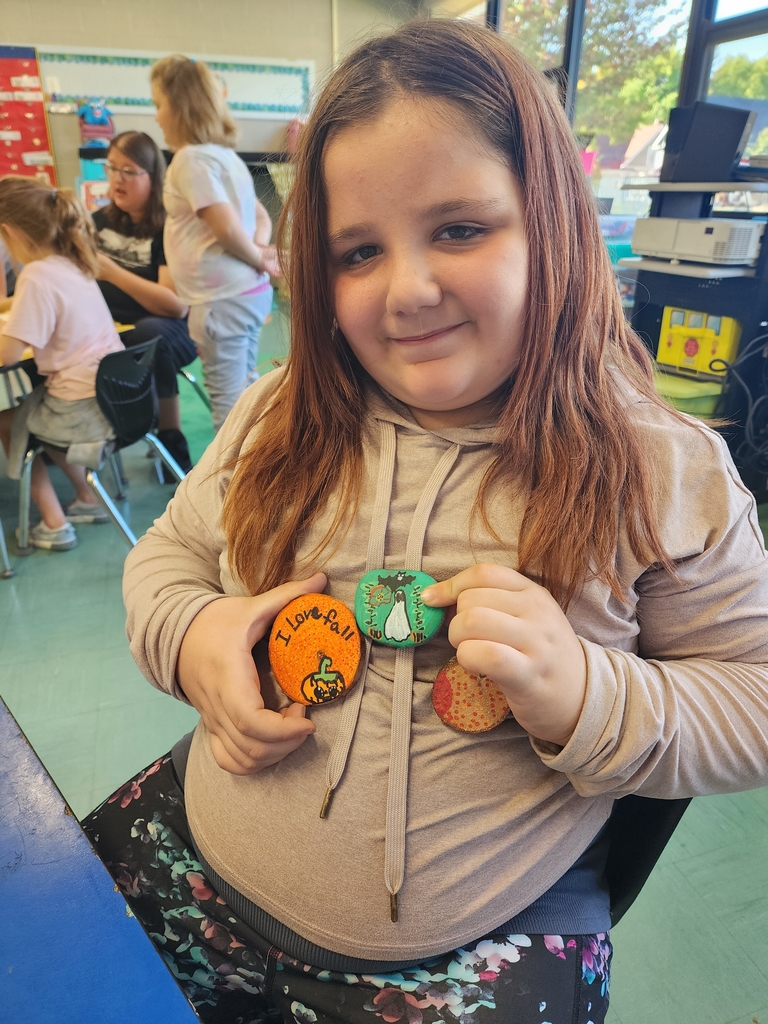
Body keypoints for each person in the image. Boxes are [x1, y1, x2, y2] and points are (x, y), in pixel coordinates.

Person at [83, 20, 768, 1024]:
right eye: (359, 251)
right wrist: (194, 637)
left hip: (482, 946)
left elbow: (753, 702)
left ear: (553, 222)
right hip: (197, 862)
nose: (408, 290)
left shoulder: (663, 468)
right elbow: (171, 559)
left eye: (459, 228)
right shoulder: (282, 410)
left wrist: (587, 692)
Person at [150, 54, 279, 432]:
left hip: (223, 299)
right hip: (244, 294)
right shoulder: (226, 157)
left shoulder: (190, 160)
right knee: (247, 389)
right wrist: (259, 254)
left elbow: (224, 228)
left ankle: (238, 487)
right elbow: (260, 217)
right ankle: (263, 464)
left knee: (229, 408)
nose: (156, 117)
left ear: (179, 106)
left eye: (158, 105)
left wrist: (258, 258)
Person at [0, 178, 123, 550]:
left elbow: (6, 355)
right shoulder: (74, 261)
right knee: (39, 407)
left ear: (8, 232)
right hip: (114, 398)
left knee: (9, 418)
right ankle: (87, 497)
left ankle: (53, 522)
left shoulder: (36, 276)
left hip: (81, 409)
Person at [93, 129, 196, 474]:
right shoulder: (98, 223)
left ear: (153, 177)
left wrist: (111, 272)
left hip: (170, 331)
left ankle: (171, 436)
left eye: (129, 171)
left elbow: (174, 306)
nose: (117, 179)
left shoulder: (167, 228)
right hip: (111, 330)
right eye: (112, 168)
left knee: (151, 333)